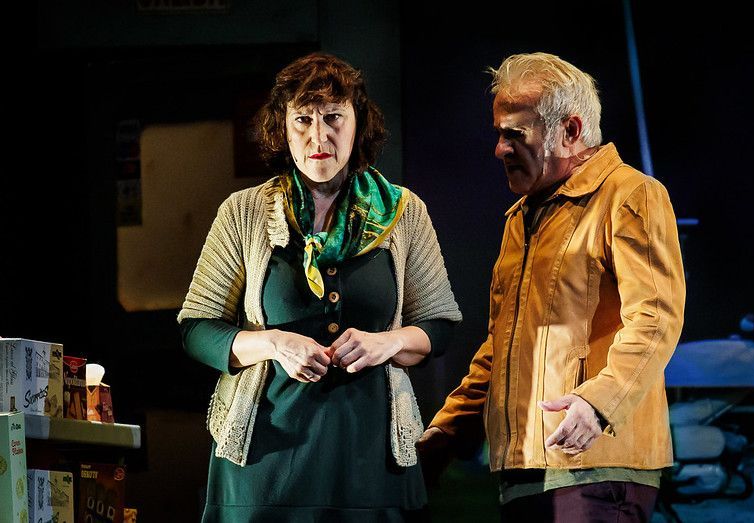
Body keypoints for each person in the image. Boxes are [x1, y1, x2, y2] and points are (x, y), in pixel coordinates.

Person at [178, 52, 461, 522]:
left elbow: (439, 324)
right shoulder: (243, 212)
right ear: (282, 127)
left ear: (358, 122)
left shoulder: (404, 212)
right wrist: (273, 342)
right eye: (303, 120)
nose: (319, 136)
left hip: (374, 463)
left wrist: (387, 343)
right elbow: (197, 328)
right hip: (265, 465)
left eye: (333, 117)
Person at [417, 52, 686, 522]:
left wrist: (597, 403)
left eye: (514, 134)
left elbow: (656, 318)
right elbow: (500, 350)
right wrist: (444, 435)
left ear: (570, 130)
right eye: (498, 133)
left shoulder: (630, 194)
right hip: (524, 471)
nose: (499, 149)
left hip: (596, 468)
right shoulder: (522, 219)